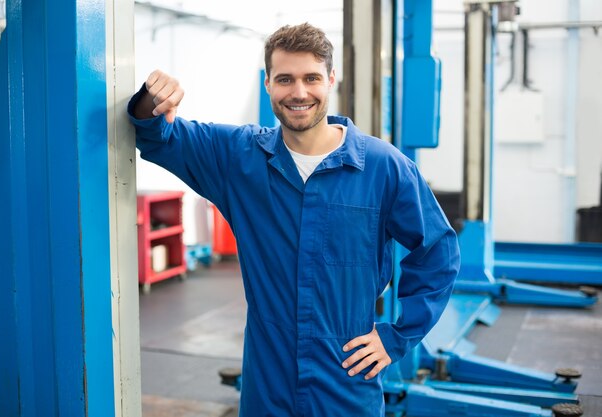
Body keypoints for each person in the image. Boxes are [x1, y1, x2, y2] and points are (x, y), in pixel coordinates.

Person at [129, 22, 460, 417]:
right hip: (268, 385)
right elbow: (156, 135)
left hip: (346, 382)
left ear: (331, 80)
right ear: (267, 83)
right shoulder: (238, 158)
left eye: (311, 78)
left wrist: (396, 338)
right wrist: (153, 98)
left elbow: (438, 250)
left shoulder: (382, 167)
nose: (299, 92)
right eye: (285, 79)